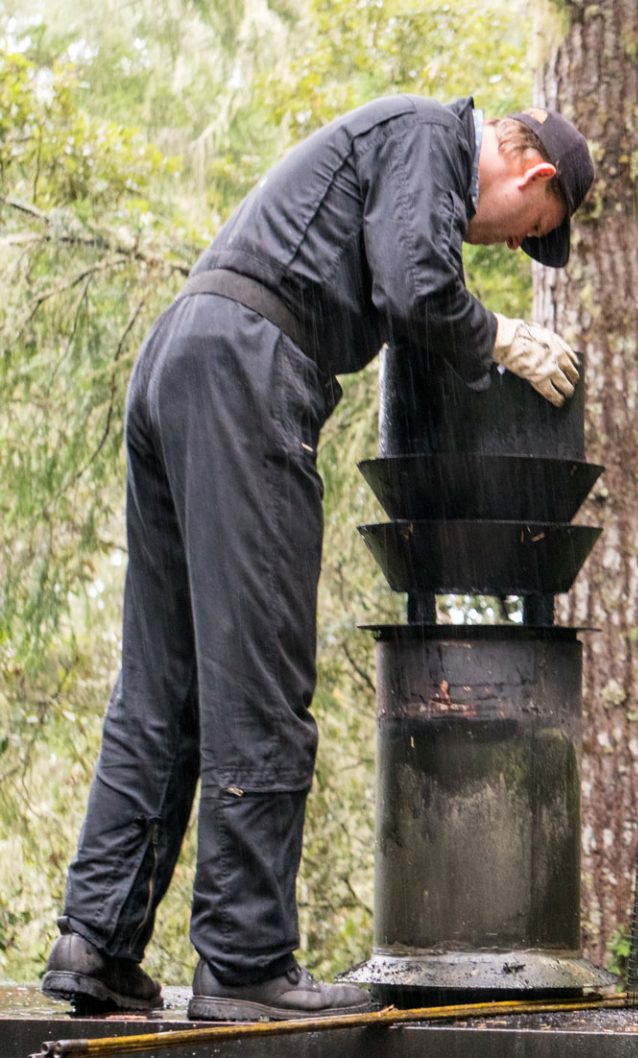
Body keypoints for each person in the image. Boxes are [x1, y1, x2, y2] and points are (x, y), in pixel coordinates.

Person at [41, 95, 594, 1022]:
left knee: (164, 683)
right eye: (524, 233)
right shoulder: (431, 135)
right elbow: (417, 287)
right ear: (530, 173)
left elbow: (401, 279)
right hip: (248, 371)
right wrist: (501, 336)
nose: (504, 248)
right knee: (260, 681)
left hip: (184, 356)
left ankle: (94, 943)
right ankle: (246, 961)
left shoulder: (398, 155)